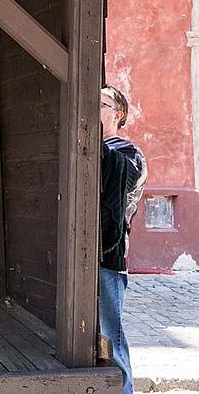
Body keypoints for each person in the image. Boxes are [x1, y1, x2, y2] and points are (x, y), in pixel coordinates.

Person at [99, 85, 148, 394]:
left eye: (99, 103)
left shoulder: (128, 152)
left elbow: (122, 176)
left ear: (117, 114)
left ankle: (124, 390)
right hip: (81, 256)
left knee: (110, 336)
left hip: (109, 258)